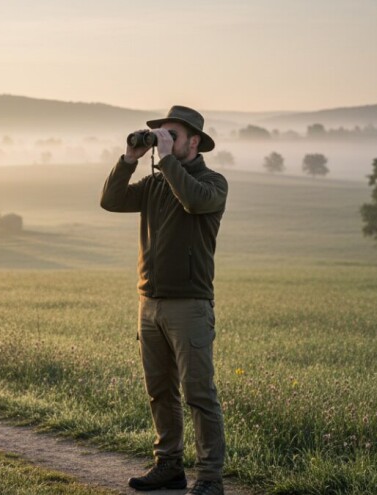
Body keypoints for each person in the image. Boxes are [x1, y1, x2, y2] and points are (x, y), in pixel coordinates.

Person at [100, 105, 228, 495]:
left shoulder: (212, 183)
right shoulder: (155, 184)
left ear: (194, 141)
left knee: (198, 394)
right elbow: (112, 200)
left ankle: (209, 478)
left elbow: (192, 200)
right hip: (149, 302)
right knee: (160, 391)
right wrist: (129, 159)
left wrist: (168, 161)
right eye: (161, 135)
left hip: (189, 304)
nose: (165, 141)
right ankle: (169, 466)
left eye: (173, 135)